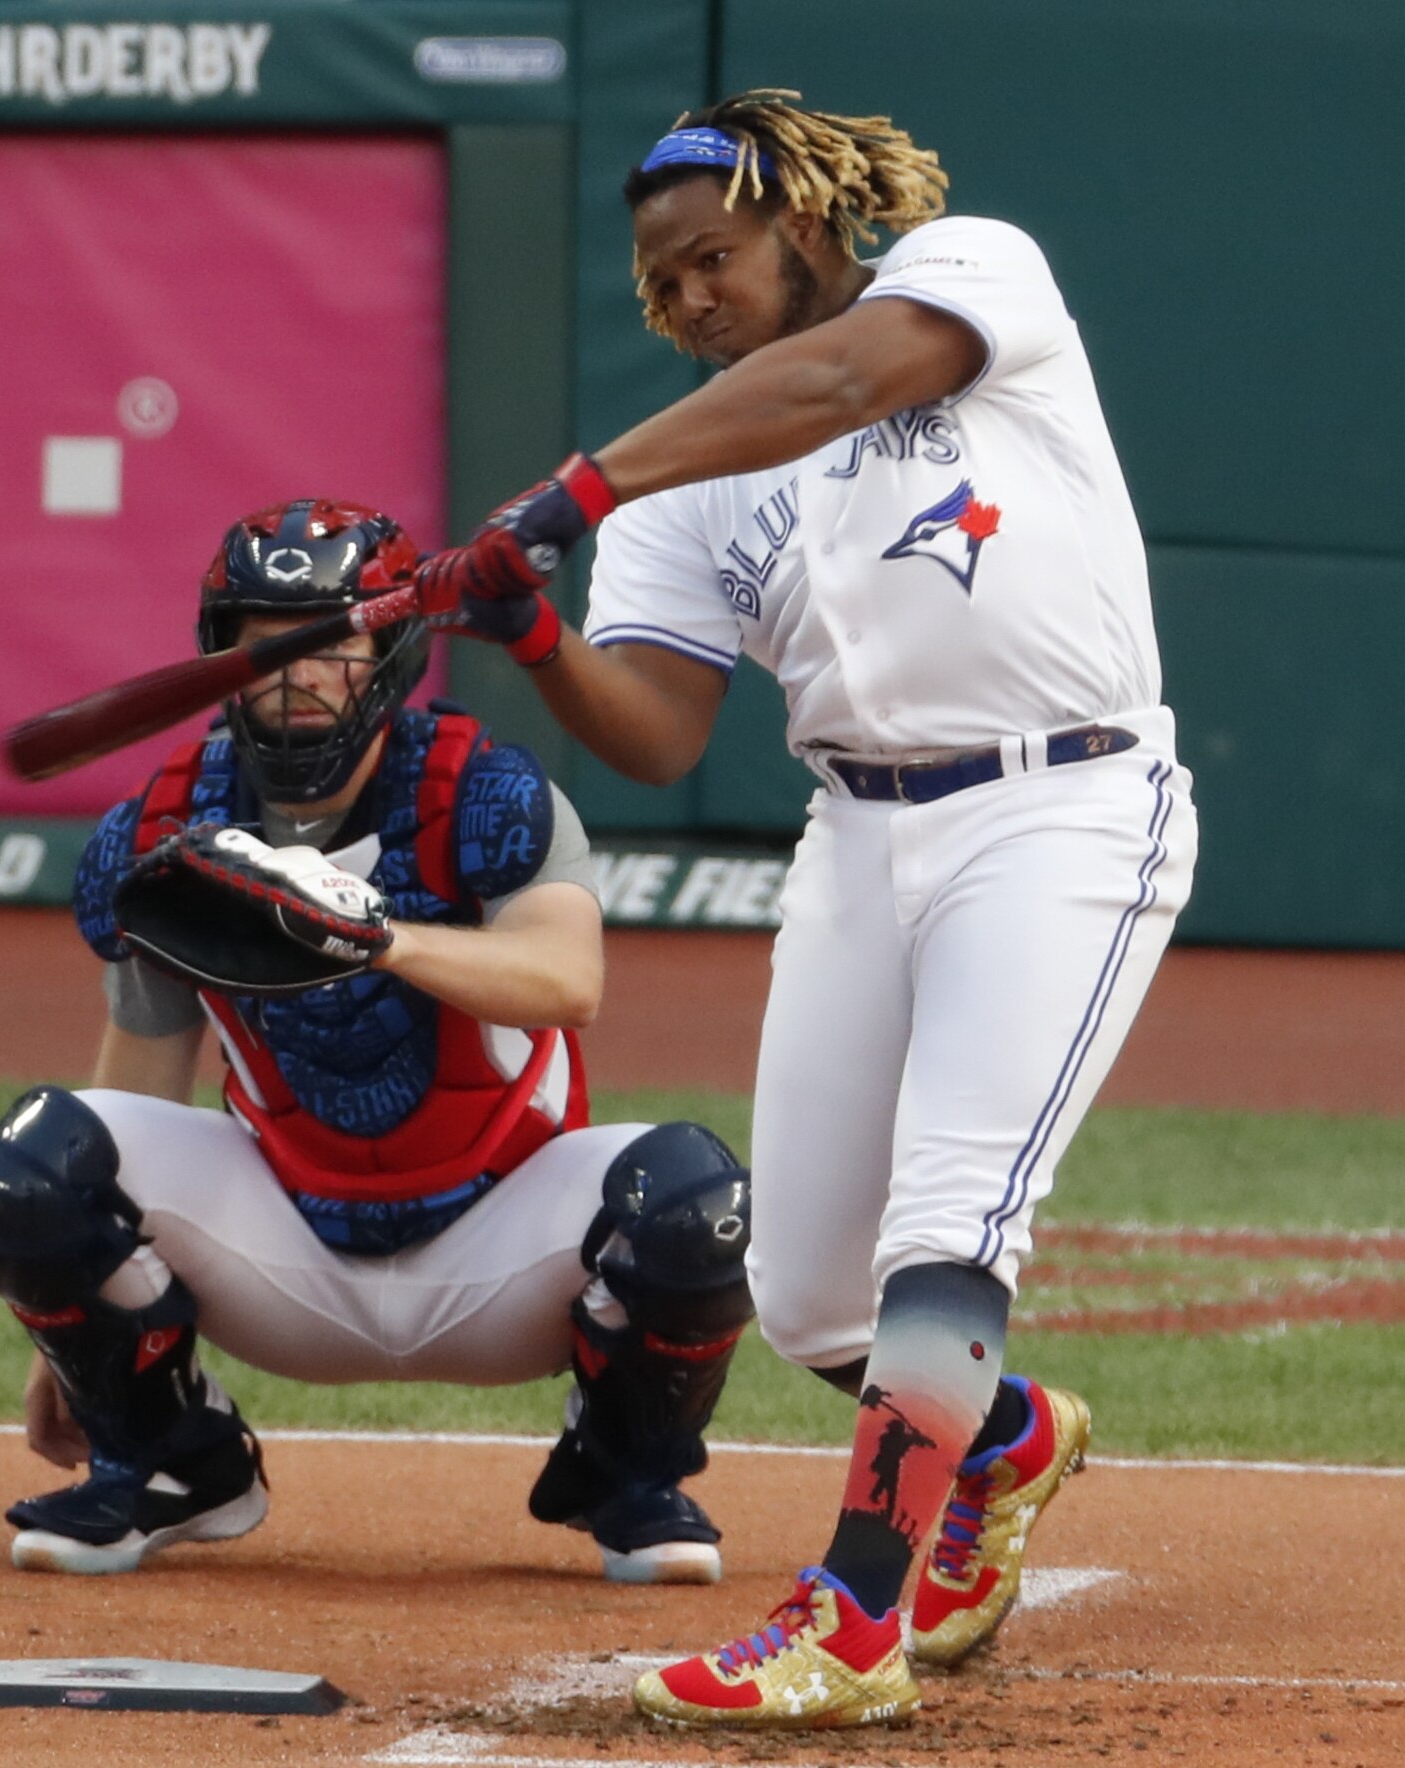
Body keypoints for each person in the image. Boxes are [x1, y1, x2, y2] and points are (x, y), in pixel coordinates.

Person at [413, 91, 1199, 1727]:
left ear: (809, 221)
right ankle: (1009, 1438)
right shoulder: (687, 488)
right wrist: (536, 633)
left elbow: (838, 378)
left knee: (947, 1225)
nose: (693, 293)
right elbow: (660, 733)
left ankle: (849, 1617)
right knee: (811, 1294)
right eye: (665, 276)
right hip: (859, 832)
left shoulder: (968, 273)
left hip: (1061, 807)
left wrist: (565, 490)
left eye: (718, 252)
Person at [0, 498, 755, 1585]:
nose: (297, 670)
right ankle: (172, 1458)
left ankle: (627, 1468)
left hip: (501, 1245)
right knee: (19, 1168)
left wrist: (375, 939)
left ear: (388, 651)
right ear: (220, 655)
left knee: (703, 1200)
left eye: (331, 640)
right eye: (262, 643)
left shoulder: (485, 792)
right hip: (284, 1249)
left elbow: (568, 982)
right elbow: (135, 1080)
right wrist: (76, 1331)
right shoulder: (164, 827)